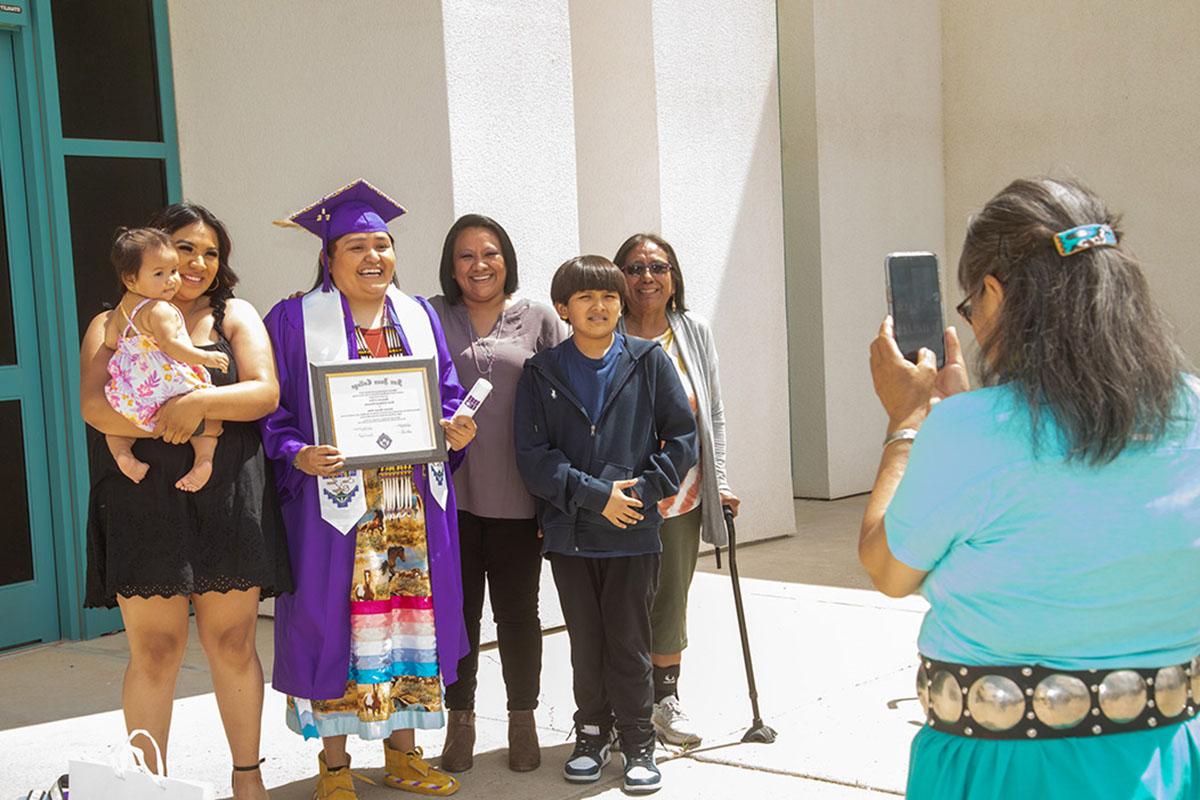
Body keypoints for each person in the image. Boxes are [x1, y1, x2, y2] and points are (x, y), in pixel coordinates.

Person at [860, 177, 1200, 799]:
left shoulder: (970, 433)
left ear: (994, 291)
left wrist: (908, 424)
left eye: (972, 307)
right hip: (1165, 757)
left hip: (1008, 769)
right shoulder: (1195, 409)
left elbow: (887, 567)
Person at [260, 179, 476, 799]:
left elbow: (447, 396)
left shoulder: (419, 315)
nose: (373, 257)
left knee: (410, 624)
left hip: (409, 503)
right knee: (340, 631)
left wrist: (454, 427)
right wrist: (296, 452)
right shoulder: (294, 318)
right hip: (336, 510)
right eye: (356, 245)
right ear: (329, 257)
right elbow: (272, 413)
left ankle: (403, 756)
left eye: (382, 244)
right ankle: (333, 767)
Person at [80, 203, 291, 800]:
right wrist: (166, 422)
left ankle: (247, 779)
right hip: (142, 495)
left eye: (210, 253)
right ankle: (148, 787)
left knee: (231, 643)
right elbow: (95, 408)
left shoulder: (234, 315)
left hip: (225, 492)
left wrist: (200, 407)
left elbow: (264, 391)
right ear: (151, 257)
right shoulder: (112, 321)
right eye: (183, 248)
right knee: (155, 648)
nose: (195, 263)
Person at [514, 255, 697, 794]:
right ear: (563, 308)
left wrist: (640, 495)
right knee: (586, 640)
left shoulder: (648, 361)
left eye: (610, 297)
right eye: (587, 298)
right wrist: (596, 497)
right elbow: (533, 455)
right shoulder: (541, 371)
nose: (600, 306)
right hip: (573, 533)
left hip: (633, 531)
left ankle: (639, 741)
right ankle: (592, 732)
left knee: (630, 640)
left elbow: (682, 438)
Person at [428, 214, 565, 773]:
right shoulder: (430, 315)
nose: (479, 265)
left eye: (490, 253)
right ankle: (459, 721)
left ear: (506, 258)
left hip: (518, 495)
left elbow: (563, 401)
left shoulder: (538, 317)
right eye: (465, 255)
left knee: (517, 615)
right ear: (450, 266)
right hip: (450, 498)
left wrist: (554, 497)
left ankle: (521, 718)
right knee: (458, 616)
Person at [615, 233, 738, 746]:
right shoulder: (605, 328)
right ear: (617, 276)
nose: (647, 277)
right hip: (620, 497)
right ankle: (626, 708)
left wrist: (722, 480)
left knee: (670, 600)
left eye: (658, 267)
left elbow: (711, 411)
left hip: (682, 492)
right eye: (636, 267)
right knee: (623, 601)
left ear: (674, 278)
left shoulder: (693, 330)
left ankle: (665, 701)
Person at [103, 227, 230, 491]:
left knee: (116, 426)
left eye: (173, 271)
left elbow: (111, 341)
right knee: (210, 426)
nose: (171, 280)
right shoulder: (160, 309)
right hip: (165, 381)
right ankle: (204, 461)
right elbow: (172, 347)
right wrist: (205, 356)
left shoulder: (122, 309)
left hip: (134, 385)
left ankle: (123, 455)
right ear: (130, 279)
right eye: (159, 274)